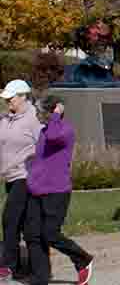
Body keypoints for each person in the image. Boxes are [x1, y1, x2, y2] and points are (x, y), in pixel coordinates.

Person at [23, 96, 93, 285]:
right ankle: (40, 277)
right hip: (37, 190)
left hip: (56, 191)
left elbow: (55, 137)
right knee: (33, 234)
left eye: (40, 111)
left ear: (53, 111)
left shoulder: (64, 130)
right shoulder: (45, 131)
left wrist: (56, 115)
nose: (36, 114)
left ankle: (83, 260)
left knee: (50, 234)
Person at [0, 80, 40, 282]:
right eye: (6, 99)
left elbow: (44, 147)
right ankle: (30, 267)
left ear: (24, 96)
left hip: (25, 176)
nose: (8, 102)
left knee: (9, 218)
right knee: (24, 222)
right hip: (10, 176)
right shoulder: (7, 119)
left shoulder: (34, 118)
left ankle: (7, 265)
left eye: (11, 98)